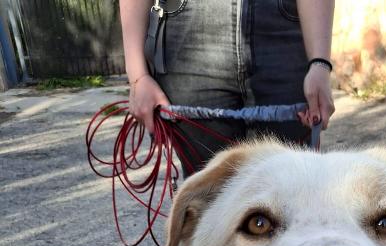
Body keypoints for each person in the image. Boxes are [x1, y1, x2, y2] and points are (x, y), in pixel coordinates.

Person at [119, 0, 336, 175]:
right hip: (190, 34)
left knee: (291, 192)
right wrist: (138, 76)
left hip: (283, 33)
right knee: (206, 203)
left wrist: (320, 63)